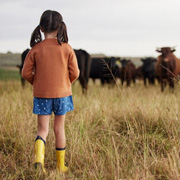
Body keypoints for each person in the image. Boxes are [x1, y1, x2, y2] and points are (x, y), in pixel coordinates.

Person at [22, 10, 79, 173]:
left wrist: (38, 83)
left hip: (41, 95)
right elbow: (75, 73)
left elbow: (26, 73)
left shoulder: (35, 49)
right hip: (63, 95)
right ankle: (61, 166)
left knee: (42, 129)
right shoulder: (67, 48)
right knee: (59, 129)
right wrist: (65, 84)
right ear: (60, 27)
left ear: (41, 28)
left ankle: (39, 161)